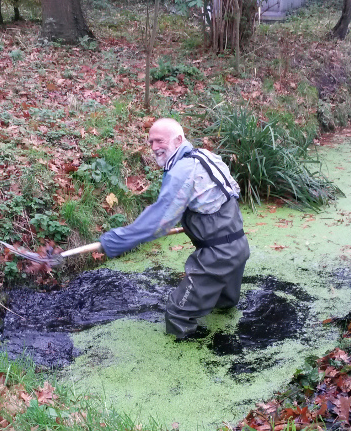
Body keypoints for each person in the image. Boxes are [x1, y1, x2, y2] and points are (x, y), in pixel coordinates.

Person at [99, 118, 250, 340]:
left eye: (159, 140)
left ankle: (187, 366)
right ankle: (227, 344)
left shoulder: (183, 170)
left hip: (217, 256)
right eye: (150, 142)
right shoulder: (207, 156)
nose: (154, 147)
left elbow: (159, 220)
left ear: (178, 139)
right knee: (224, 303)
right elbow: (228, 195)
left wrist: (114, 242)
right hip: (238, 246)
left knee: (177, 313)